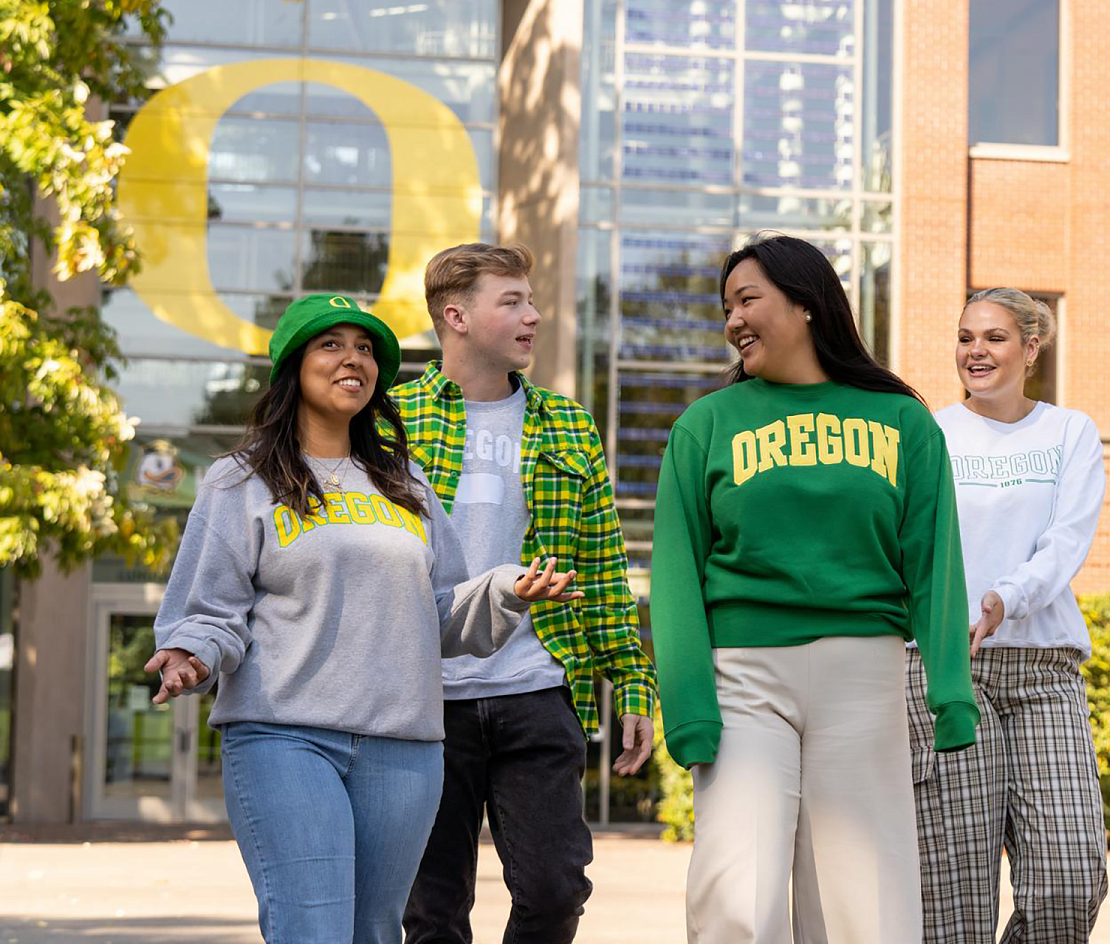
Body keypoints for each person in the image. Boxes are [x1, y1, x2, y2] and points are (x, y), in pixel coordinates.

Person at [146, 293, 581, 944]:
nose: (355, 358)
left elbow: (439, 616)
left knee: (374, 933)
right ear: (293, 365)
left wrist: (504, 590)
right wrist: (193, 651)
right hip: (284, 736)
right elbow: (212, 608)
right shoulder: (239, 481)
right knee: (314, 930)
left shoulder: (405, 483)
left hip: (403, 748)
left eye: (366, 349)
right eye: (332, 344)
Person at [649, 234, 979, 944]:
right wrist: (687, 706)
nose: (732, 319)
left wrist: (951, 689)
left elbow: (935, 564)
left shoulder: (901, 422)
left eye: (748, 299)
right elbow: (676, 574)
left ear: (805, 304)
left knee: (865, 904)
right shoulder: (706, 426)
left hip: (864, 677)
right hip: (742, 681)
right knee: (738, 891)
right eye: (726, 306)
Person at [393, 243, 658, 944]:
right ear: (456, 314)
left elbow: (601, 564)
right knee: (432, 911)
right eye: (511, 301)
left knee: (555, 889)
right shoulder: (388, 423)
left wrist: (631, 684)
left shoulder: (566, 423)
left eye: (531, 300)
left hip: (536, 688)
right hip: (424, 699)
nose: (534, 315)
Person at [907, 287, 1109, 944]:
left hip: (1043, 669)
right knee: (955, 898)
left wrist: (1003, 600)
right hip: (946, 671)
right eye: (966, 337)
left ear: (1031, 347)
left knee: (1069, 880)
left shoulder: (1069, 431)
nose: (976, 351)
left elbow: (1067, 541)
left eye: (994, 338)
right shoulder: (931, 433)